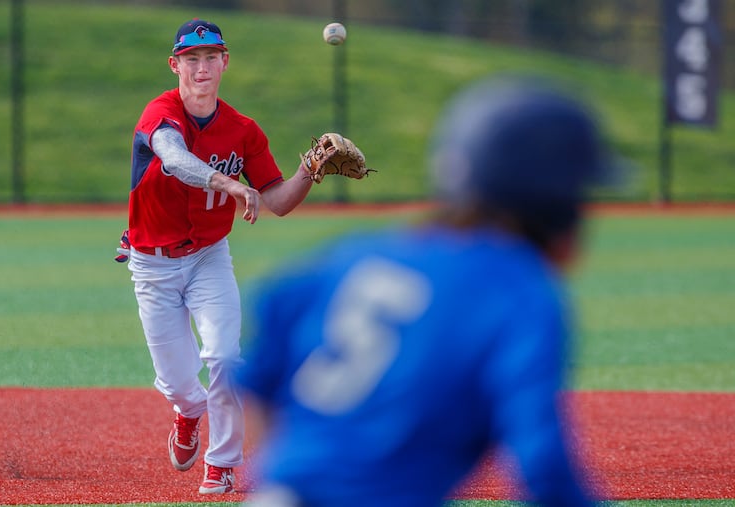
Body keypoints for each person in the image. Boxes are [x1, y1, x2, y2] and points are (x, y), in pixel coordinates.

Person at [236, 75, 612, 506]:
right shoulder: (518, 293)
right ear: (552, 200)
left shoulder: (362, 252)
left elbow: (270, 318)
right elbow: (543, 465)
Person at [120, 18, 317, 495]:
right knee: (179, 384)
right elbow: (172, 157)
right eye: (192, 58)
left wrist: (309, 170)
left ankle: (222, 462)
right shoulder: (160, 113)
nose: (202, 66)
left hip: (209, 256)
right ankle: (187, 413)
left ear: (225, 62)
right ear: (175, 65)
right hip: (153, 262)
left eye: (211, 56)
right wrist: (227, 182)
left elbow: (276, 201)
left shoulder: (243, 131)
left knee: (226, 356)